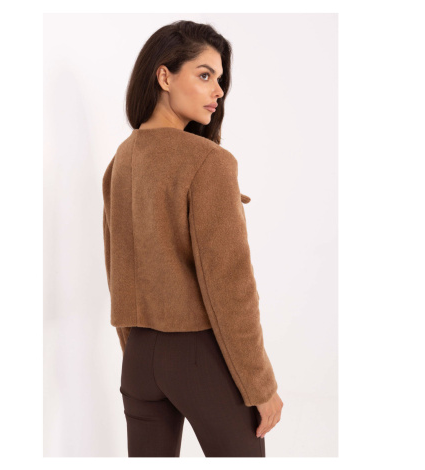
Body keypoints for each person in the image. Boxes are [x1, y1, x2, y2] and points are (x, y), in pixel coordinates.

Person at [102, 20, 283, 457]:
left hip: (138, 358)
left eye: (219, 79)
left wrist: (136, 351)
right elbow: (231, 286)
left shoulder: (121, 160)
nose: (217, 91)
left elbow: (117, 267)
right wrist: (260, 386)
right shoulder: (208, 161)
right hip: (198, 355)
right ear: (164, 76)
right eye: (204, 75)